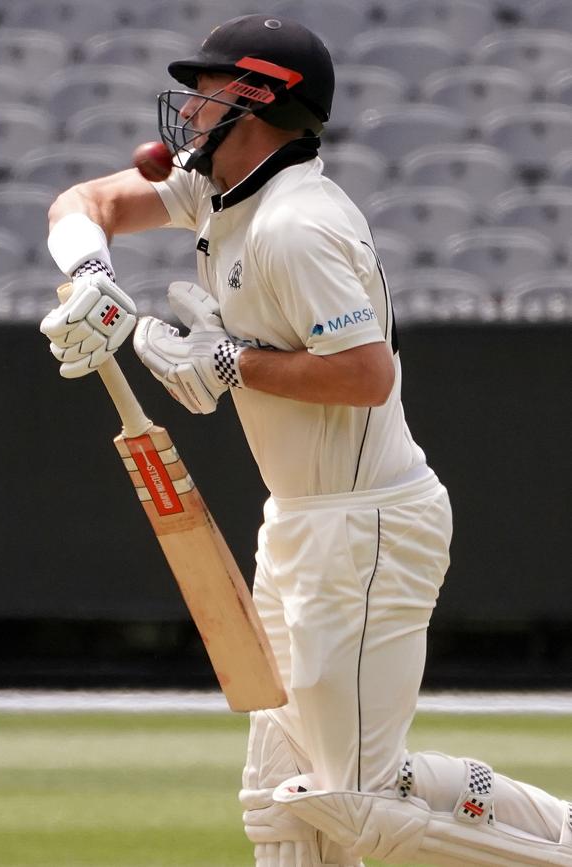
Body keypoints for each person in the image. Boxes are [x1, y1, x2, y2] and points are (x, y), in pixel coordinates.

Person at [40, 14, 572, 867]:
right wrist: (94, 278)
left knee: (358, 801)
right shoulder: (216, 192)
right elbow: (86, 204)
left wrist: (226, 359)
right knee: (279, 805)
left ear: (255, 100)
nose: (191, 106)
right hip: (299, 523)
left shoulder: (298, 224)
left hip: (366, 527)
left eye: (208, 89)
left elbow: (366, 375)